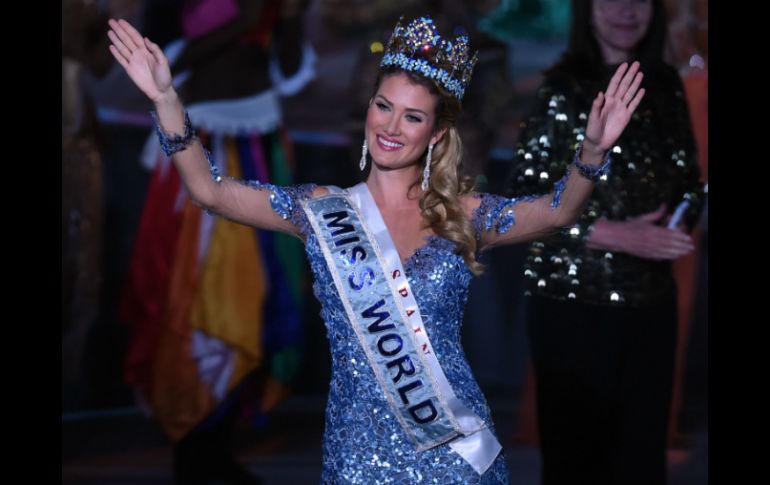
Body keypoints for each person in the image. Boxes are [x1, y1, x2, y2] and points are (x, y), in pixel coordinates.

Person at [108, 14, 644, 483]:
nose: (391, 126)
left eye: (412, 116)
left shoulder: (463, 214)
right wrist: (165, 98)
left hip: (453, 453)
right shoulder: (320, 211)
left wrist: (593, 150)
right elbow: (211, 191)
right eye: (383, 106)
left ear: (435, 133)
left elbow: (558, 211)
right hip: (357, 455)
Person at [504, 1, 703, 483]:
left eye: (638, 0)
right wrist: (618, 234)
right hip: (571, 299)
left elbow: (690, 182)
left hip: (650, 298)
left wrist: (675, 225)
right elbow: (520, 201)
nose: (626, 10)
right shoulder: (563, 86)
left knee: (640, 456)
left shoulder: (667, 85)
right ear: (586, 12)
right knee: (576, 459)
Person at [117, 1, 315, 483]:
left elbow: (289, 69)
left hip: (260, 138)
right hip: (200, 141)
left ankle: (218, 441)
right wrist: (249, 19)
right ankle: (190, 442)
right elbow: (165, 62)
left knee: (262, 292)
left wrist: (286, 17)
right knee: (197, 290)